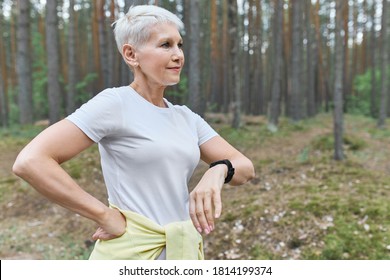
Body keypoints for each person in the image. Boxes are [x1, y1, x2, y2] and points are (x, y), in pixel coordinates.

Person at [12, 5, 255, 260]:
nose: (178, 55)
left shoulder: (186, 118)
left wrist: (217, 171)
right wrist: (103, 215)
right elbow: (31, 161)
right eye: (165, 45)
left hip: (181, 253)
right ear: (131, 54)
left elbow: (245, 167)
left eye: (179, 45)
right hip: (131, 253)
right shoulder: (116, 103)